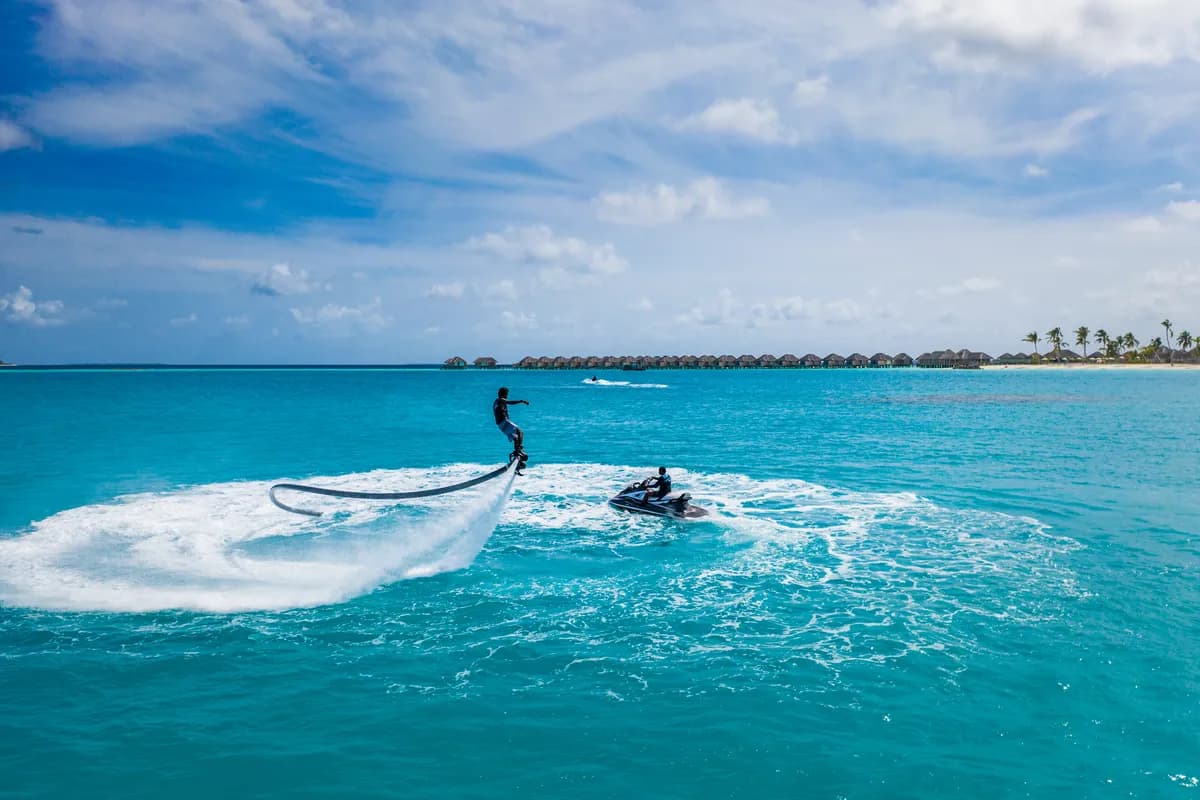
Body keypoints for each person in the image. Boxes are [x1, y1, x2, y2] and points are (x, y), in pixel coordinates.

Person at [493, 387, 529, 456]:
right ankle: (519, 450)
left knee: (515, 437)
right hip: (504, 422)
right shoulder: (500, 400)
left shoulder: (498, 402)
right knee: (520, 432)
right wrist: (521, 401)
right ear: (503, 394)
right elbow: (510, 402)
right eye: (506, 394)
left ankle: (516, 452)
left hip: (501, 425)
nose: (507, 396)